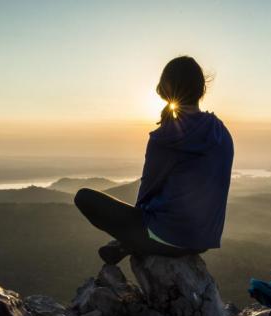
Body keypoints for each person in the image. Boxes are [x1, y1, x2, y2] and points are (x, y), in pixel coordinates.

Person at [74, 56, 234, 265]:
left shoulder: (166, 137)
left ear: (165, 90)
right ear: (201, 89)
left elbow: (147, 192)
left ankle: (130, 243)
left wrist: (133, 230)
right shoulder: (221, 132)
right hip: (203, 239)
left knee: (84, 197)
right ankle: (126, 244)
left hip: (168, 238)